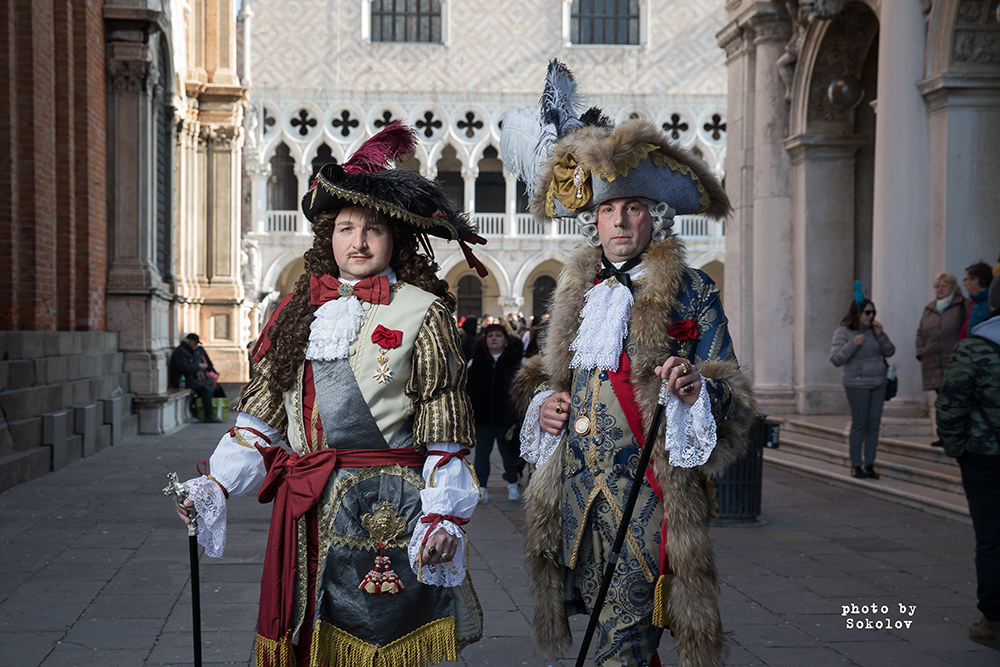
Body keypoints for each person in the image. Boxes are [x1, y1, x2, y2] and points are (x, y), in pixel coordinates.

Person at [168, 123, 490, 666]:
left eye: (373, 229)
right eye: (345, 228)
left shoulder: (423, 312)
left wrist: (445, 515)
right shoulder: (296, 310)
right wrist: (216, 485)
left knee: (378, 646)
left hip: (389, 509)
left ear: (394, 239)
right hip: (307, 509)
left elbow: (445, 428)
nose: (358, 242)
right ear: (328, 237)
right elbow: (260, 420)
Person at [501, 60, 755, 667]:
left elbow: (734, 396)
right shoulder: (576, 289)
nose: (618, 220)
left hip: (647, 497)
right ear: (593, 218)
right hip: (575, 498)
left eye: (633, 207)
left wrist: (695, 389)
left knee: (624, 639)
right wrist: (544, 406)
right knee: (609, 631)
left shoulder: (691, 289)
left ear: (654, 215)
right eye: (608, 209)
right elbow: (546, 380)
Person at [936, 273, 1000, 650]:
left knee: (991, 538)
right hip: (981, 456)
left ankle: (993, 621)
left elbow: (950, 404)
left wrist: (958, 448)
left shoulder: (974, 348)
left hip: (984, 458)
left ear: (992, 303)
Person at [830, 297, 895, 479]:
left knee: (874, 424)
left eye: (873, 312)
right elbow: (836, 359)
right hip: (856, 384)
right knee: (860, 424)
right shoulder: (843, 332)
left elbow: (890, 351)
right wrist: (853, 344)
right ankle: (856, 464)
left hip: (878, 383)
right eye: (867, 312)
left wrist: (881, 335)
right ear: (857, 313)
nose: (871, 316)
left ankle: (870, 464)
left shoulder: (875, 331)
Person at [466, 323, 523, 502]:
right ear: (484, 340)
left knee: (508, 453)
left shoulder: (516, 361)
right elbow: (469, 388)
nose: (494, 339)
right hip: (482, 417)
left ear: (505, 340)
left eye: (498, 335)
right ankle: (481, 488)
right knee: (482, 452)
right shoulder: (476, 361)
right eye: (490, 336)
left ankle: (513, 485)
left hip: (507, 417)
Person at [915, 273, 966, 446]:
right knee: (941, 401)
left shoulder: (961, 305)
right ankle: (944, 436)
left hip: (954, 361)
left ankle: (957, 435)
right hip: (933, 362)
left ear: (953, 287)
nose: (940, 289)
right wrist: (921, 352)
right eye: (937, 286)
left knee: (955, 400)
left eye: (944, 286)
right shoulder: (930, 308)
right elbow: (920, 333)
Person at [167, 333, 222, 423]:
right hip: (182, 380)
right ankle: (208, 416)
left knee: (209, 386)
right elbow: (185, 368)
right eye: (195, 343)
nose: (196, 346)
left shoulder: (189, 351)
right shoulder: (181, 352)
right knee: (206, 390)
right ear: (190, 342)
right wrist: (199, 366)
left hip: (190, 379)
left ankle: (200, 411)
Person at [961, 261, 994, 338]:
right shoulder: (975, 303)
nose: (964, 284)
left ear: (975, 280)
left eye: (966, 279)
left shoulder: (993, 302)